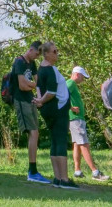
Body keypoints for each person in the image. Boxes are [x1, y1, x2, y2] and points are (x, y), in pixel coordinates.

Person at [33, 41, 79, 189]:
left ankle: (57, 178)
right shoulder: (49, 70)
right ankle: (64, 179)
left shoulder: (41, 69)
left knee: (55, 141)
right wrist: (41, 100)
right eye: (54, 51)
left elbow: (39, 87)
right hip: (57, 110)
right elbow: (51, 92)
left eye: (56, 50)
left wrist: (40, 101)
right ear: (46, 54)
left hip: (50, 109)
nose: (56, 53)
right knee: (60, 141)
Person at [12, 40, 48, 183]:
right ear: (31, 49)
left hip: (31, 99)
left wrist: (32, 86)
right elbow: (22, 86)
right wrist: (32, 85)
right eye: (37, 53)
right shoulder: (19, 62)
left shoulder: (31, 64)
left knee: (35, 133)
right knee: (33, 132)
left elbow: (37, 82)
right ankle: (32, 172)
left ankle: (33, 170)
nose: (37, 57)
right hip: (21, 100)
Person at [67, 66, 109, 181]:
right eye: (83, 77)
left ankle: (77, 171)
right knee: (84, 143)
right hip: (76, 118)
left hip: (75, 118)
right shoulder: (70, 83)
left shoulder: (72, 84)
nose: (83, 80)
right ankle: (95, 172)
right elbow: (61, 95)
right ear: (77, 75)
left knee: (76, 144)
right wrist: (70, 108)